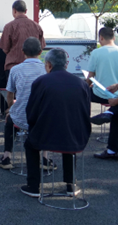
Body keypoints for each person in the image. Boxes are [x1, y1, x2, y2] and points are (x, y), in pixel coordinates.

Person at [21, 48, 91, 197]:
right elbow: (86, 111)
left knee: (30, 144)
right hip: (76, 136)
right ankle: (71, 184)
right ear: (66, 64)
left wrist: (32, 127)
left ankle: (33, 186)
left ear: (48, 65)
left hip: (45, 135)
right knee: (69, 140)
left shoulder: (41, 81)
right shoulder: (81, 83)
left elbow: (31, 111)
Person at [0, 38, 55, 171]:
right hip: (42, 118)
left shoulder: (15, 69)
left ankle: (7, 156)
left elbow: (10, 94)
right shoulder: (47, 69)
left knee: (10, 120)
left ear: (22, 52)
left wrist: (10, 109)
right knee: (47, 120)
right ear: (40, 52)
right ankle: (45, 158)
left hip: (21, 117)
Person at [84, 27, 118, 103]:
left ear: (101, 38)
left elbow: (91, 76)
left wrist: (85, 86)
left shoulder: (96, 53)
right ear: (114, 38)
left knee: (83, 93)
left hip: (101, 95)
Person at [0, 0, 45, 72]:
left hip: (13, 67)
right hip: (34, 68)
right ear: (26, 11)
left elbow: (5, 49)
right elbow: (41, 47)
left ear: (14, 11)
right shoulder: (37, 26)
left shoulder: (9, 26)